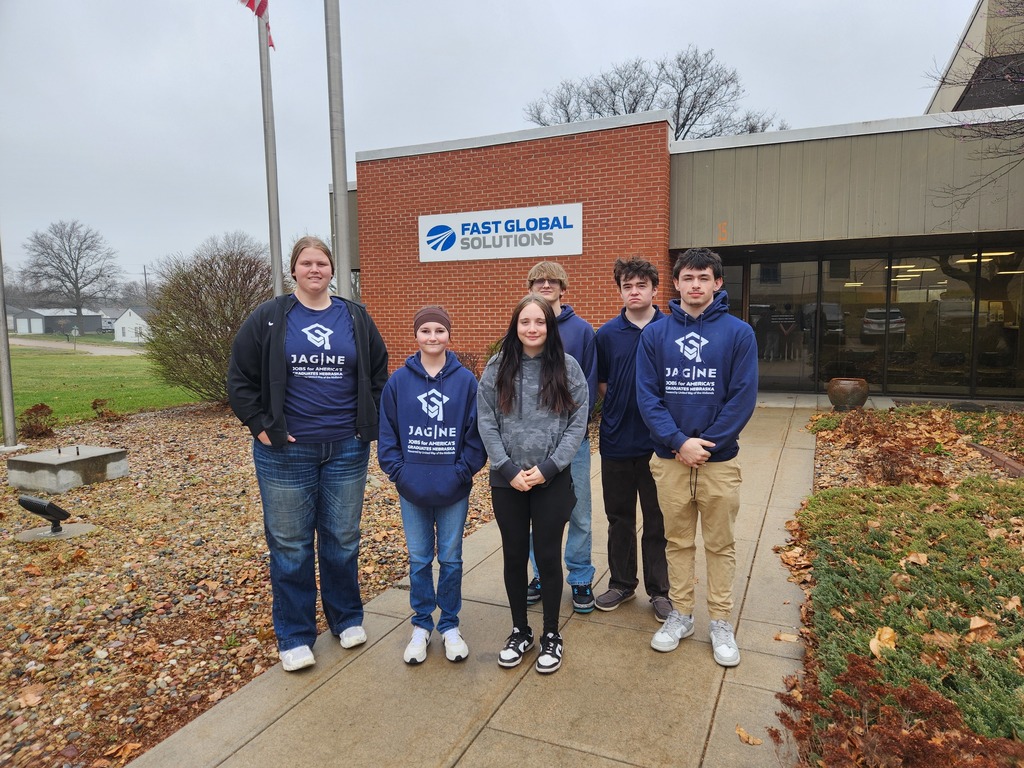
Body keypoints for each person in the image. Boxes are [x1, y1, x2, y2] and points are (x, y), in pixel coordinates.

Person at [227, 236, 388, 672]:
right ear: (293, 270)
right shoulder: (270, 317)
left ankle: (346, 618)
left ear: (332, 270)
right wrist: (260, 426)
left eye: (322, 263)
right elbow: (239, 377)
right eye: (306, 263)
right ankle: (296, 635)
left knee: (341, 538)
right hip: (285, 453)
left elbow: (377, 372)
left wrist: (366, 425)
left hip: (345, 449)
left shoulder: (354, 316)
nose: (314, 269)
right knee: (291, 545)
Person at [636, 247, 757, 667]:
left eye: (704, 278)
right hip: (670, 461)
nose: (695, 285)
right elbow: (647, 397)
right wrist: (677, 441)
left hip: (719, 462)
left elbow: (742, 398)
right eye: (688, 278)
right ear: (676, 283)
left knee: (720, 544)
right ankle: (682, 615)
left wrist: (704, 444)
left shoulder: (739, 334)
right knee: (677, 541)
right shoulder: (655, 335)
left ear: (717, 283)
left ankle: (720, 622)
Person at [477, 295, 588, 674]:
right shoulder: (498, 367)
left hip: (551, 480)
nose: (532, 328)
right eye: (525, 321)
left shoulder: (568, 368)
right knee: (513, 557)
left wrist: (550, 468)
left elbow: (577, 423)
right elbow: (486, 421)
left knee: (546, 557)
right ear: (516, 326)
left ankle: (552, 634)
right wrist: (507, 469)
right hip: (508, 480)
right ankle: (520, 630)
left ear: (549, 326)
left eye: (539, 321)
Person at [378, 306, 486, 665]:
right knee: (420, 559)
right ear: (416, 336)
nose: (433, 336)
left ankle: (450, 625)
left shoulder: (466, 381)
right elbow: (388, 435)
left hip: (452, 487)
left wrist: (463, 471)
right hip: (413, 489)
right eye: (425, 330)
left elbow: (476, 433)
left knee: (451, 559)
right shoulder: (398, 382)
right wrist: (400, 473)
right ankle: (421, 624)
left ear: (448, 335)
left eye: (439, 330)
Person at [594, 257, 672, 621]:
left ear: (655, 289)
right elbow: (604, 385)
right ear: (621, 291)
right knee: (619, 518)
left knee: (657, 521)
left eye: (642, 285)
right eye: (628, 286)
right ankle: (622, 583)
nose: (635, 291)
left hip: (661, 444)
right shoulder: (606, 335)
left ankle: (659, 591)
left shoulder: (672, 329)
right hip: (616, 441)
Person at [525, 261, 598, 613]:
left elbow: (589, 392)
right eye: (538, 280)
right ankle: (540, 573)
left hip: (573, 443)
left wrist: (569, 431)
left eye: (552, 280)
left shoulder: (582, 331)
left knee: (579, 512)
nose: (545, 284)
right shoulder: (523, 327)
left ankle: (581, 577)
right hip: (531, 446)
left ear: (563, 287)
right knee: (537, 516)